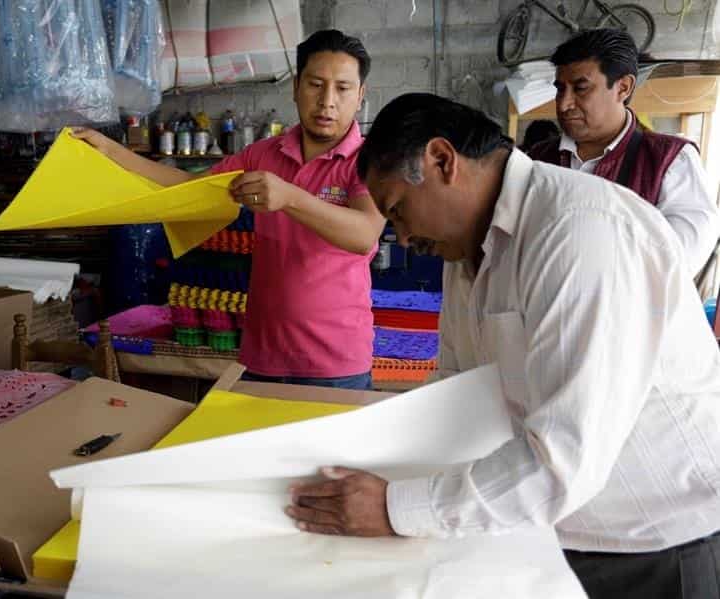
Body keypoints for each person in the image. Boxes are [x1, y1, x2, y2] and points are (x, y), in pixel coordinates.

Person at [286, 93, 720, 599]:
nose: (401, 239)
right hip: (554, 533)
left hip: (656, 545)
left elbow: (563, 459)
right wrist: (366, 448)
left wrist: (394, 506)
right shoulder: (467, 249)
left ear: (442, 160)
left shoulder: (578, 233)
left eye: (399, 211)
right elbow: (456, 389)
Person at [72, 29, 384, 390]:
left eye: (342, 88)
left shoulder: (367, 162)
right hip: (262, 357)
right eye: (316, 84)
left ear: (360, 96)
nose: (327, 101)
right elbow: (189, 188)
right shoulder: (264, 154)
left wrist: (290, 197)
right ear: (296, 86)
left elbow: (364, 235)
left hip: (335, 365)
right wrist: (112, 152)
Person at [528, 28, 719, 277]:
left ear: (623, 87)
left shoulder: (671, 162)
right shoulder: (537, 160)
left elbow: (674, 266)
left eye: (580, 88)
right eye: (560, 89)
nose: (564, 104)